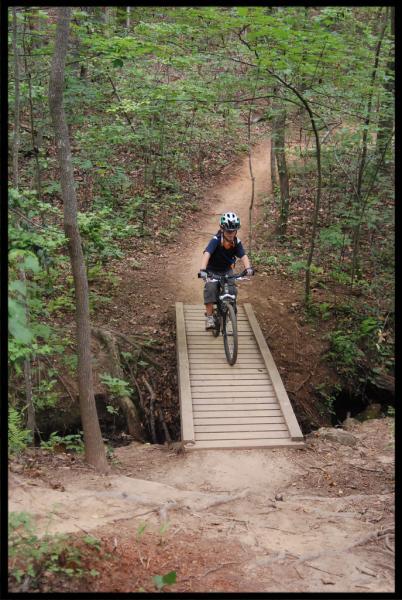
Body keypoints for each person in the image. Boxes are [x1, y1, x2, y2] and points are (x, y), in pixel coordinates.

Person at [198, 212, 253, 330]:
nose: (231, 234)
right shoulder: (216, 240)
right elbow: (207, 253)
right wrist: (203, 270)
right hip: (212, 270)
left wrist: (248, 268)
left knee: (232, 288)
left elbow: (243, 256)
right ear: (222, 229)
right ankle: (209, 317)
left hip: (226, 270)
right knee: (210, 288)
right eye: (228, 231)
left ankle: (230, 307)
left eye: (233, 231)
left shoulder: (236, 242)